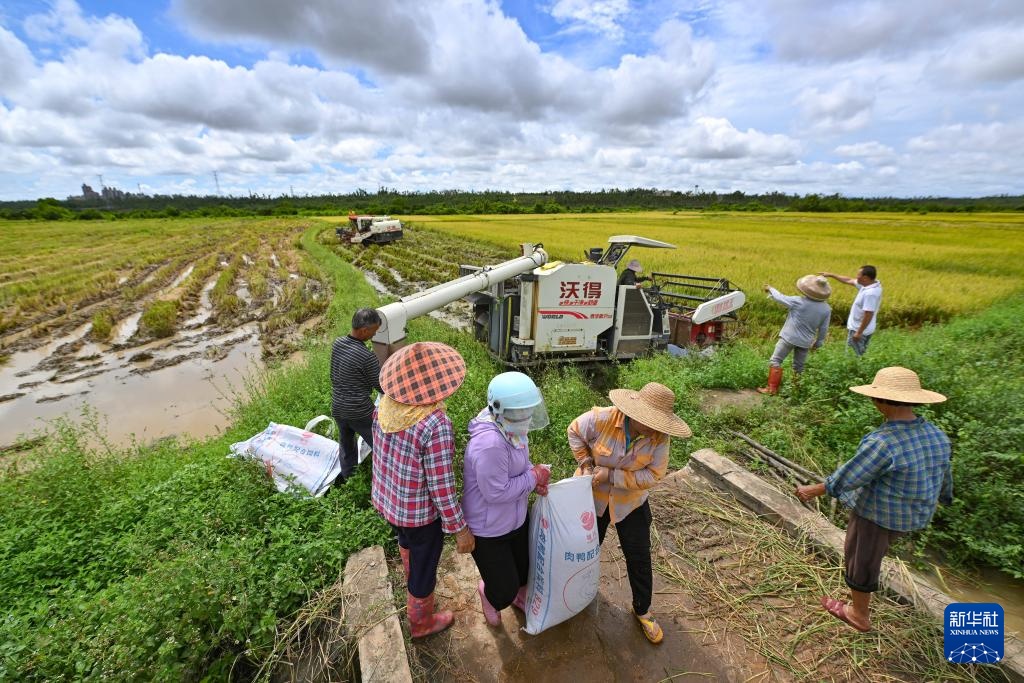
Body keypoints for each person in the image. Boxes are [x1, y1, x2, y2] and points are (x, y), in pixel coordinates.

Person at [795, 367, 951, 633]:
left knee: (861, 558)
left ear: (879, 401)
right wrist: (944, 498)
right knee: (875, 551)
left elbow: (850, 477)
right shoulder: (937, 434)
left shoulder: (883, 441)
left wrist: (814, 490)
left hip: (879, 515)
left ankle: (858, 615)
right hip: (914, 514)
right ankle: (861, 604)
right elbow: (944, 474)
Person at [567, 382, 692, 645]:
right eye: (647, 421)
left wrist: (612, 475)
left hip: (630, 502)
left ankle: (643, 610)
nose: (651, 428)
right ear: (633, 411)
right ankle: (576, 597)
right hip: (594, 498)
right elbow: (574, 431)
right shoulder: (602, 418)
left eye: (657, 423)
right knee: (586, 550)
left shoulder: (660, 438)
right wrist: (587, 463)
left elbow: (653, 475)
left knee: (639, 556)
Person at [371, 341, 475, 638]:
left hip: (390, 502)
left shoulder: (385, 406)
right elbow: (441, 486)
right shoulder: (434, 423)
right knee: (425, 567)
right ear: (438, 383)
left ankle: (413, 582)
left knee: (408, 546)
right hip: (418, 513)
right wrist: (459, 528)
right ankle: (421, 623)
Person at [462, 372, 552, 627]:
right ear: (499, 410)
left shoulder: (513, 427)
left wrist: (535, 480)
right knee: (503, 590)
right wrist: (534, 478)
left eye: (528, 412)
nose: (525, 419)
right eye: (519, 413)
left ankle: (513, 591)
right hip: (489, 527)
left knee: (524, 572)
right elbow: (496, 492)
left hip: (515, 518)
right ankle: (488, 594)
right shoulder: (489, 444)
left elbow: (521, 466)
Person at [329, 308, 382, 484]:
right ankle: (385, 480)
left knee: (346, 445)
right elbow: (381, 386)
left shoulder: (338, 343)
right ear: (365, 330)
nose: (375, 334)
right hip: (359, 411)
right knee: (381, 445)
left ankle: (348, 478)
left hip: (337, 406)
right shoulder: (366, 357)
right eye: (374, 330)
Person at [757, 275, 832, 395]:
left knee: (775, 360)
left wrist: (771, 289)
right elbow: (823, 329)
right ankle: (795, 392)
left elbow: (780, 298)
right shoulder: (826, 309)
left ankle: (772, 389)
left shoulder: (798, 301)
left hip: (789, 338)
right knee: (799, 367)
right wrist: (818, 343)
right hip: (805, 342)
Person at [820, 266, 882, 356]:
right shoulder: (870, 284)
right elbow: (849, 280)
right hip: (862, 328)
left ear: (865, 278)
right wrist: (831, 275)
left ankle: (855, 369)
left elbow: (868, 314)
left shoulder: (870, 293)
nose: (856, 277)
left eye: (858, 275)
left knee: (853, 356)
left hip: (859, 329)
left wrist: (859, 332)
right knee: (858, 354)